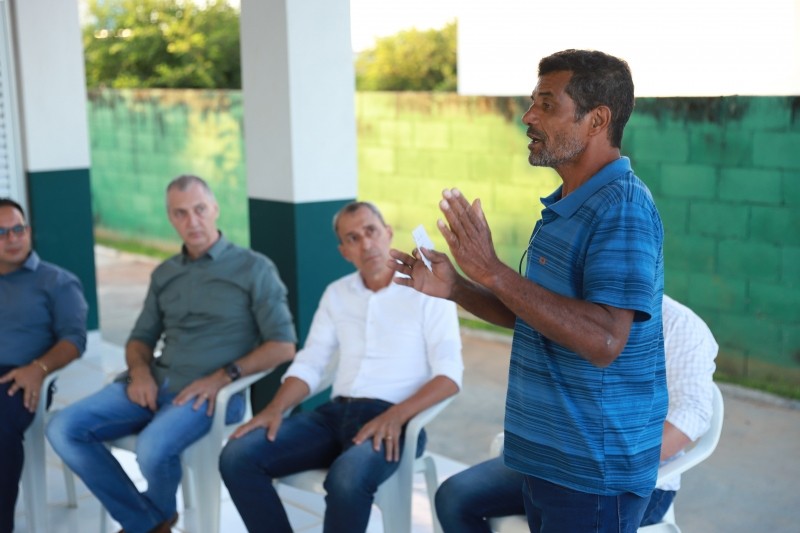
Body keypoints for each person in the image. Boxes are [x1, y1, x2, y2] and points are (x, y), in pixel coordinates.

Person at [388, 49, 667, 532]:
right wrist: (458, 287)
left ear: (597, 119)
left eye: (546, 105)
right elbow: (536, 314)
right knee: (456, 502)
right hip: (546, 459)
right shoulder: (565, 204)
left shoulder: (622, 208)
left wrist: (494, 271)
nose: (528, 116)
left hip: (592, 472)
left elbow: (604, 340)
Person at [47, 175, 297, 533]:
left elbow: (282, 345)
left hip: (214, 394)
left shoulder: (254, 268)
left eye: (199, 210)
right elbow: (140, 338)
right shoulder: (165, 273)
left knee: (152, 447)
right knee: (62, 428)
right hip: (156, 381)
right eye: (180, 214)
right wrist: (140, 372)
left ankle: (149, 522)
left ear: (215, 209)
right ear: (170, 218)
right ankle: (148, 522)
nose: (192, 221)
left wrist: (220, 378)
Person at [219, 201, 463, 533]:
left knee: (346, 478)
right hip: (333, 416)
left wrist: (395, 416)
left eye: (371, 231)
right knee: (237, 456)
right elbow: (311, 361)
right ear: (344, 251)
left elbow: (449, 376)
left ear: (388, 233)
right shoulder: (337, 293)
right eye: (352, 238)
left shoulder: (427, 291)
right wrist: (274, 409)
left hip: (395, 420)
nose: (365, 244)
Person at [434, 294, 718, 532]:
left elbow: (692, 413)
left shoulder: (680, 325)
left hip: (632, 483)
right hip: (557, 463)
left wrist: (612, 466)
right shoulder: (574, 313)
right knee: (454, 497)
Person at [0, 198, 88, 533]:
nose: (12, 238)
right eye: (2, 232)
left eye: (18, 229)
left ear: (29, 231)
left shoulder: (56, 281)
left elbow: (75, 340)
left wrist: (38, 369)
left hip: (20, 377)